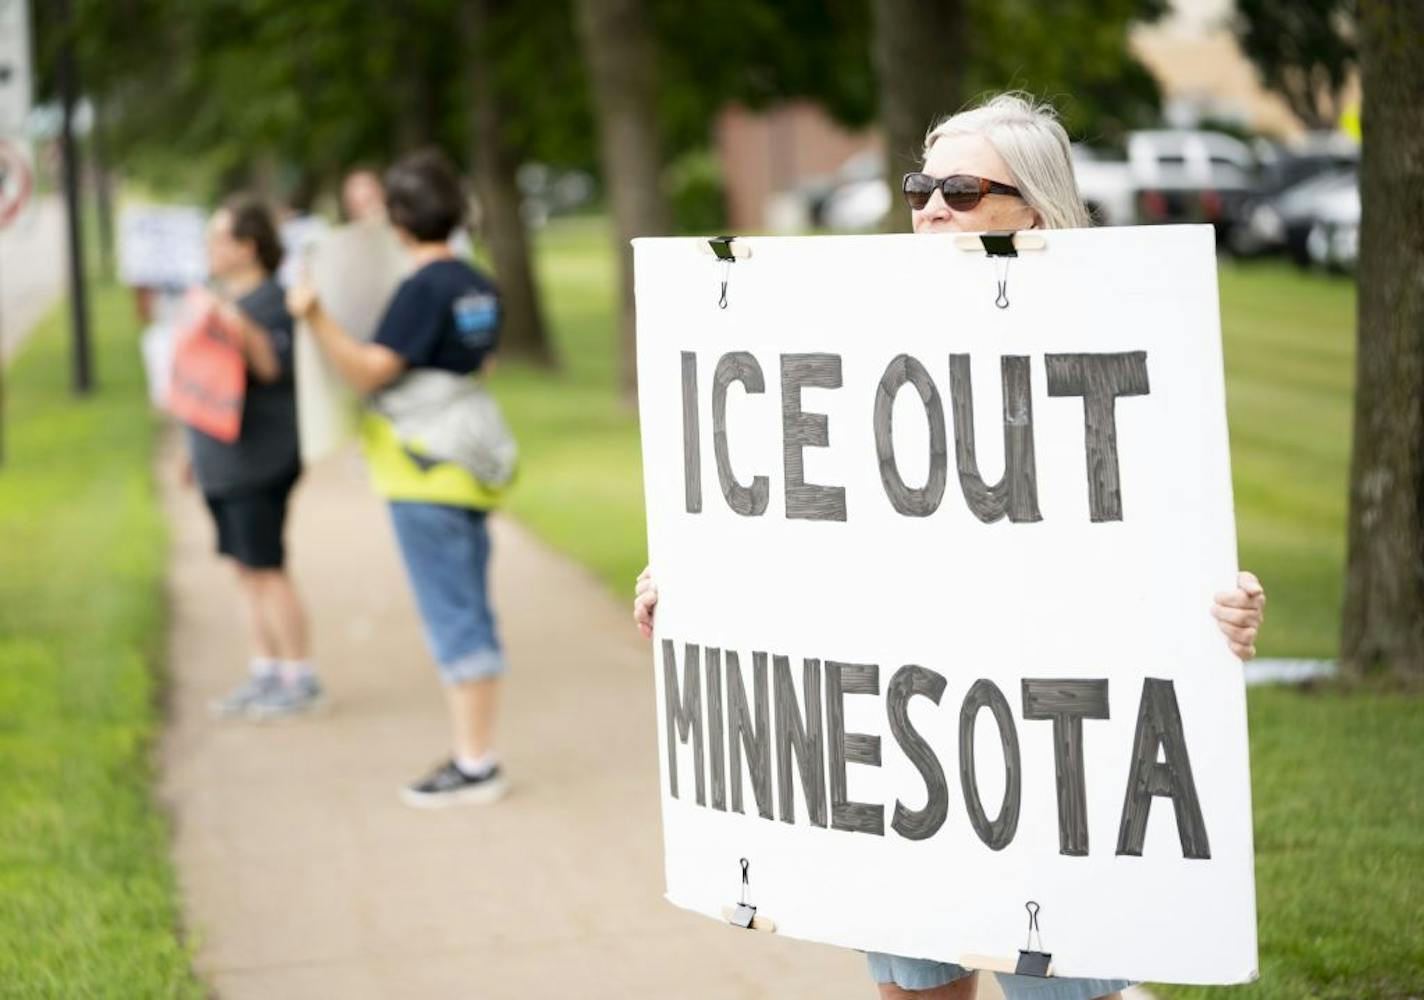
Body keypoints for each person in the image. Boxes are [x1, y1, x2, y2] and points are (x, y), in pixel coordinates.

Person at [630, 93, 1268, 1000]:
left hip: (1050, 768)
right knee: (916, 990)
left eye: (962, 189)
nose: (931, 205)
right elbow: (799, 528)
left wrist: (1220, 607)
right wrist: (700, 589)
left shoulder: (1121, 339)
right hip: (904, 756)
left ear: (1036, 209)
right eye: (921, 185)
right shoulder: (850, 336)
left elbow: (1166, 532)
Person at [286, 150, 511, 809]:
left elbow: (368, 370)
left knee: (454, 616)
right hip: (468, 462)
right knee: (470, 602)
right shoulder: (478, 281)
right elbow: (484, 366)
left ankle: (475, 764)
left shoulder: (420, 290)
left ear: (400, 220)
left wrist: (315, 315)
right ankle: (478, 753)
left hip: (424, 470)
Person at [191, 195, 320, 720]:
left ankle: (299, 677)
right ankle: (265, 671)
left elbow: (269, 366)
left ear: (247, 247)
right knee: (245, 570)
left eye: (218, 239)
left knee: (268, 567)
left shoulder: (275, 302)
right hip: (220, 458)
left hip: (259, 458)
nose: (209, 250)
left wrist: (230, 318)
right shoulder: (223, 297)